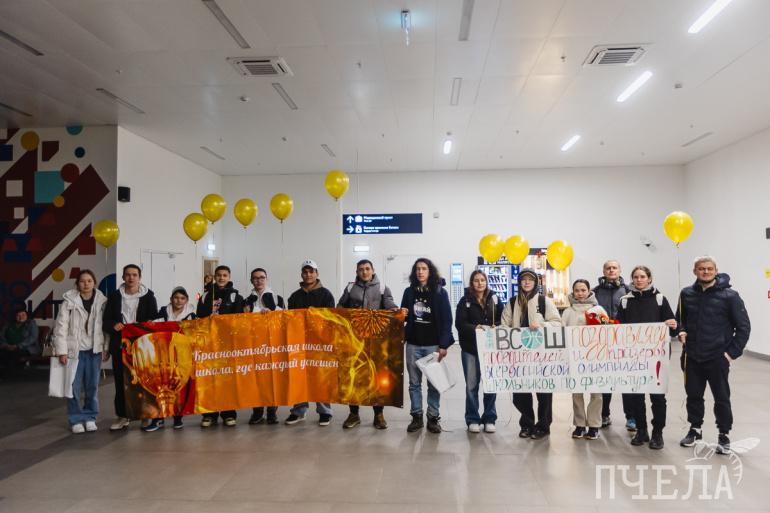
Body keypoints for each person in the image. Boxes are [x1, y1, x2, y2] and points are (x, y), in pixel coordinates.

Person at [677, 256, 750, 455]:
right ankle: (695, 429)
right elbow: (680, 319)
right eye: (701, 269)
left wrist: (730, 354)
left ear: (716, 271)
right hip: (692, 356)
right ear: (695, 271)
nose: (706, 272)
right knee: (693, 396)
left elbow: (743, 327)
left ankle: (724, 434)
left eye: (709, 269)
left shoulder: (730, 296)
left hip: (717, 357)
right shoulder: (686, 293)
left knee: (722, 397)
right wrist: (680, 331)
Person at [616, 265, 677, 450]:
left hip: (657, 358)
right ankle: (641, 430)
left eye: (643, 276)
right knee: (636, 396)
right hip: (633, 357)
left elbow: (672, 325)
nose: (639, 280)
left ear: (649, 278)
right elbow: (619, 328)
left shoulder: (660, 299)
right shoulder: (625, 301)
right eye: (636, 277)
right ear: (632, 279)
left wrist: (673, 324)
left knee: (657, 397)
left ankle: (658, 432)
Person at [337, 259, 397, 430]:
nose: (364, 272)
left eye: (367, 269)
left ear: (373, 270)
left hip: (375, 341)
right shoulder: (350, 288)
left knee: (376, 377)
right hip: (354, 340)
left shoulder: (382, 288)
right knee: (354, 376)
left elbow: (389, 305)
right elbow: (340, 306)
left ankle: (378, 415)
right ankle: (354, 414)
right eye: (361, 269)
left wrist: (396, 310)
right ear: (357, 272)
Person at [501, 268, 561, 440]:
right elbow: (504, 325)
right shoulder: (512, 302)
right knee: (520, 393)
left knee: (544, 393)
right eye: (523, 279)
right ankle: (526, 424)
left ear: (535, 283)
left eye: (530, 280)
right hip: (519, 355)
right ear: (519, 282)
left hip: (541, 356)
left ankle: (543, 426)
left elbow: (557, 323)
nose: (527, 282)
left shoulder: (544, 301)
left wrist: (542, 325)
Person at [401, 258, 454, 434]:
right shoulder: (409, 292)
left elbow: (447, 320)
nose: (420, 272)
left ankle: (433, 417)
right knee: (414, 384)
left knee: (433, 384)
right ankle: (416, 416)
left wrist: (444, 344)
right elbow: (403, 316)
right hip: (413, 345)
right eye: (417, 269)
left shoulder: (439, 292)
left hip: (433, 346)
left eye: (424, 268)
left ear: (430, 271)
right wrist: (401, 313)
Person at [104, 264, 158, 431]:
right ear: (123, 277)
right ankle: (122, 416)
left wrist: (149, 324)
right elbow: (106, 320)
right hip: (120, 345)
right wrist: (113, 325)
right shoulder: (114, 297)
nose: (131, 278)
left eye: (134, 275)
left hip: (142, 345)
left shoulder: (149, 297)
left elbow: (154, 319)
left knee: (143, 381)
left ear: (139, 278)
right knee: (121, 382)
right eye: (128, 275)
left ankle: (145, 415)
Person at [53, 270, 107, 434]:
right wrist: (61, 351)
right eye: (82, 281)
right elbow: (60, 328)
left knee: (92, 387)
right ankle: (75, 419)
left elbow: (106, 329)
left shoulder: (102, 301)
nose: (86, 284)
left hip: (94, 351)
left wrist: (106, 348)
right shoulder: (68, 301)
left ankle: (90, 417)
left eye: (89, 281)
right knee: (73, 388)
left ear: (94, 282)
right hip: (74, 352)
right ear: (77, 284)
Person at [284, 260, 335, 426]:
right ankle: (299, 411)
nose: (308, 275)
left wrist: (317, 314)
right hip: (299, 342)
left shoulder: (326, 295)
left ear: (317, 273)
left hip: (319, 343)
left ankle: (325, 412)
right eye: (305, 272)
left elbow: (331, 318)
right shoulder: (294, 296)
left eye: (311, 271)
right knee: (298, 376)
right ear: (301, 274)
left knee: (320, 377)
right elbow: (289, 319)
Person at [142, 286, 197, 432]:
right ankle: (158, 419)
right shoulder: (162, 312)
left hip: (181, 357)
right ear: (171, 299)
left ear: (186, 300)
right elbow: (153, 328)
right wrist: (150, 323)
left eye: (182, 298)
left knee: (178, 387)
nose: (179, 301)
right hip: (163, 356)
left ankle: (178, 418)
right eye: (176, 298)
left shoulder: (192, 315)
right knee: (160, 388)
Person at [197, 265, 244, 427]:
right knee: (209, 379)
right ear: (214, 277)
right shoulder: (205, 295)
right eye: (219, 275)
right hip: (208, 344)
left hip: (227, 344)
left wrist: (223, 321)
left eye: (225, 275)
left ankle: (228, 414)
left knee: (226, 380)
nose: (221, 278)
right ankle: (209, 414)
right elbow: (198, 317)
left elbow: (239, 319)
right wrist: (207, 318)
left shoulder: (236, 296)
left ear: (229, 277)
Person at [455, 270, 501, 434]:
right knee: (471, 386)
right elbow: (460, 324)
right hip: (470, 349)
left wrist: (497, 326)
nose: (480, 283)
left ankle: (489, 418)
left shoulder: (495, 299)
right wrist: (476, 327)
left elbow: (503, 319)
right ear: (471, 283)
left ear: (486, 282)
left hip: (490, 350)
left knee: (490, 385)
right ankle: (473, 419)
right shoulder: (465, 300)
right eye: (476, 280)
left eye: (482, 280)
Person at [561, 279, 607, 440]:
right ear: (573, 292)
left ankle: (594, 425)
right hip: (575, 358)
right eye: (577, 290)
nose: (580, 293)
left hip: (595, 357)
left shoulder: (598, 310)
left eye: (583, 290)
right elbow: (562, 332)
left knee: (596, 392)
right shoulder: (568, 312)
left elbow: (607, 331)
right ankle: (579, 424)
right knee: (577, 392)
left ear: (589, 291)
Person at [593, 260, 634, 430]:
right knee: (605, 381)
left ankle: (631, 417)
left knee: (627, 381)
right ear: (603, 271)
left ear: (619, 270)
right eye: (608, 268)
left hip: (625, 343)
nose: (611, 270)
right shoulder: (594, 292)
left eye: (614, 268)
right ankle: (604, 415)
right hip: (602, 343)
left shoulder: (629, 291)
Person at [244, 267, 284, 425]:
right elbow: (244, 317)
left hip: (272, 344)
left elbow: (282, 317)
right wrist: (258, 313)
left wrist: (265, 313)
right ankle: (257, 412)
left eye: (262, 277)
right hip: (254, 344)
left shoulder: (277, 298)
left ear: (267, 279)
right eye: (255, 278)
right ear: (251, 281)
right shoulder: (247, 300)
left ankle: (272, 412)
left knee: (272, 378)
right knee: (256, 378)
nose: (259, 280)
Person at [0, 307, 39, 372]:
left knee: (13, 354)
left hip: (26, 348)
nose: (21, 317)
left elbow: (33, 338)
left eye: (23, 315)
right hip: (7, 347)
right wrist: (6, 345)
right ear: (15, 317)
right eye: (18, 315)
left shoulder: (31, 323)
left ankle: (11, 374)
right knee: (4, 353)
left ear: (27, 316)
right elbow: (1, 336)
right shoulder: (8, 324)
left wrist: (18, 346)